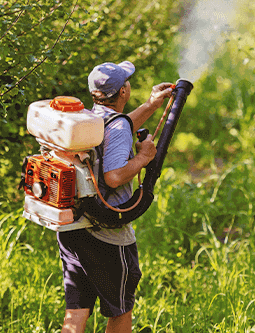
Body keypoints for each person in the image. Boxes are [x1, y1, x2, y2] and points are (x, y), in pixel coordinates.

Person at [57, 60, 173, 333]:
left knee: (77, 310)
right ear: (123, 92)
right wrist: (143, 157)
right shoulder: (117, 127)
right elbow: (114, 177)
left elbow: (118, 127)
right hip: (106, 237)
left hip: (74, 228)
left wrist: (152, 104)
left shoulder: (89, 119)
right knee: (120, 310)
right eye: (127, 82)